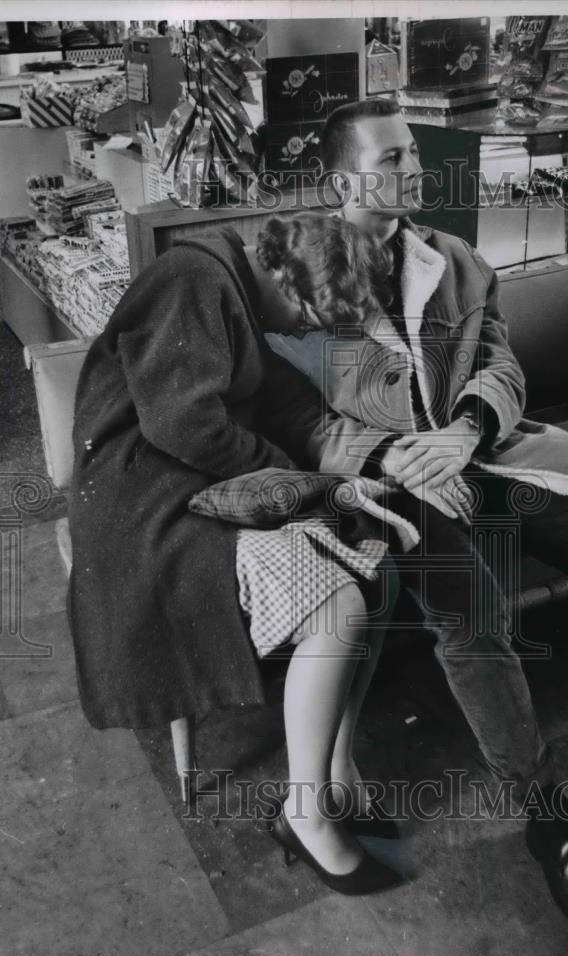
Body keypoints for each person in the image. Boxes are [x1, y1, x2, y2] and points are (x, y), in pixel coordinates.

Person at [255, 111, 568, 940]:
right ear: (343, 182)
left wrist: (466, 428)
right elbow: (293, 416)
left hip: (490, 457)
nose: (416, 168)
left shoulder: (452, 260)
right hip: (393, 488)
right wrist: (394, 459)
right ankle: (548, 819)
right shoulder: (291, 282)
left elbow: (501, 359)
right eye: (393, 157)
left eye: (415, 153)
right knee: (474, 617)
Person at [67, 224, 406, 895]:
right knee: (335, 605)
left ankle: (335, 777)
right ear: (283, 277)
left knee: (374, 554)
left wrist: (374, 462)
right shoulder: (193, 279)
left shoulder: (235, 291)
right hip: (146, 507)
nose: (307, 334)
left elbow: (281, 400)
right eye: (310, 318)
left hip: (199, 487)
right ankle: (304, 815)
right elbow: (182, 424)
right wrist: (294, 481)